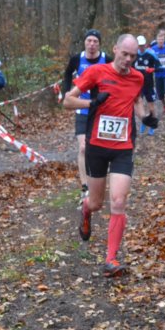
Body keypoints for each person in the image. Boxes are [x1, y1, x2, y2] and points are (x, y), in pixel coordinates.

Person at [62, 34, 146, 277]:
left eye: (132, 56)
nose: (128, 60)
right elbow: (68, 101)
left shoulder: (138, 78)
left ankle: (111, 259)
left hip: (123, 147)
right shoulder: (97, 72)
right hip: (97, 147)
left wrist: (146, 116)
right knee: (97, 203)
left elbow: (137, 101)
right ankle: (86, 209)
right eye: (124, 54)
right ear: (115, 49)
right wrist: (92, 103)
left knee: (118, 201)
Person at [62, 29, 108, 204]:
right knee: (83, 148)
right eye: (89, 40)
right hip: (82, 108)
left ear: (99, 44)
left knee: (99, 148)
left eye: (95, 41)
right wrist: (66, 93)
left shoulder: (106, 59)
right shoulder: (77, 59)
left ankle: (98, 180)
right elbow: (67, 73)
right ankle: (85, 187)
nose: (92, 44)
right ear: (84, 42)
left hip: (101, 110)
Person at [133, 35, 160, 136]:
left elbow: (159, 66)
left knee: (151, 106)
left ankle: (153, 125)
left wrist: (152, 69)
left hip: (148, 84)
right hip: (137, 85)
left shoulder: (151, 54)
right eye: (139, 45)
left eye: (143, 45)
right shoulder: (134, 54)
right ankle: (144, 121)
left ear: (145, 44)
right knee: (139, 105)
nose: (141, 47)